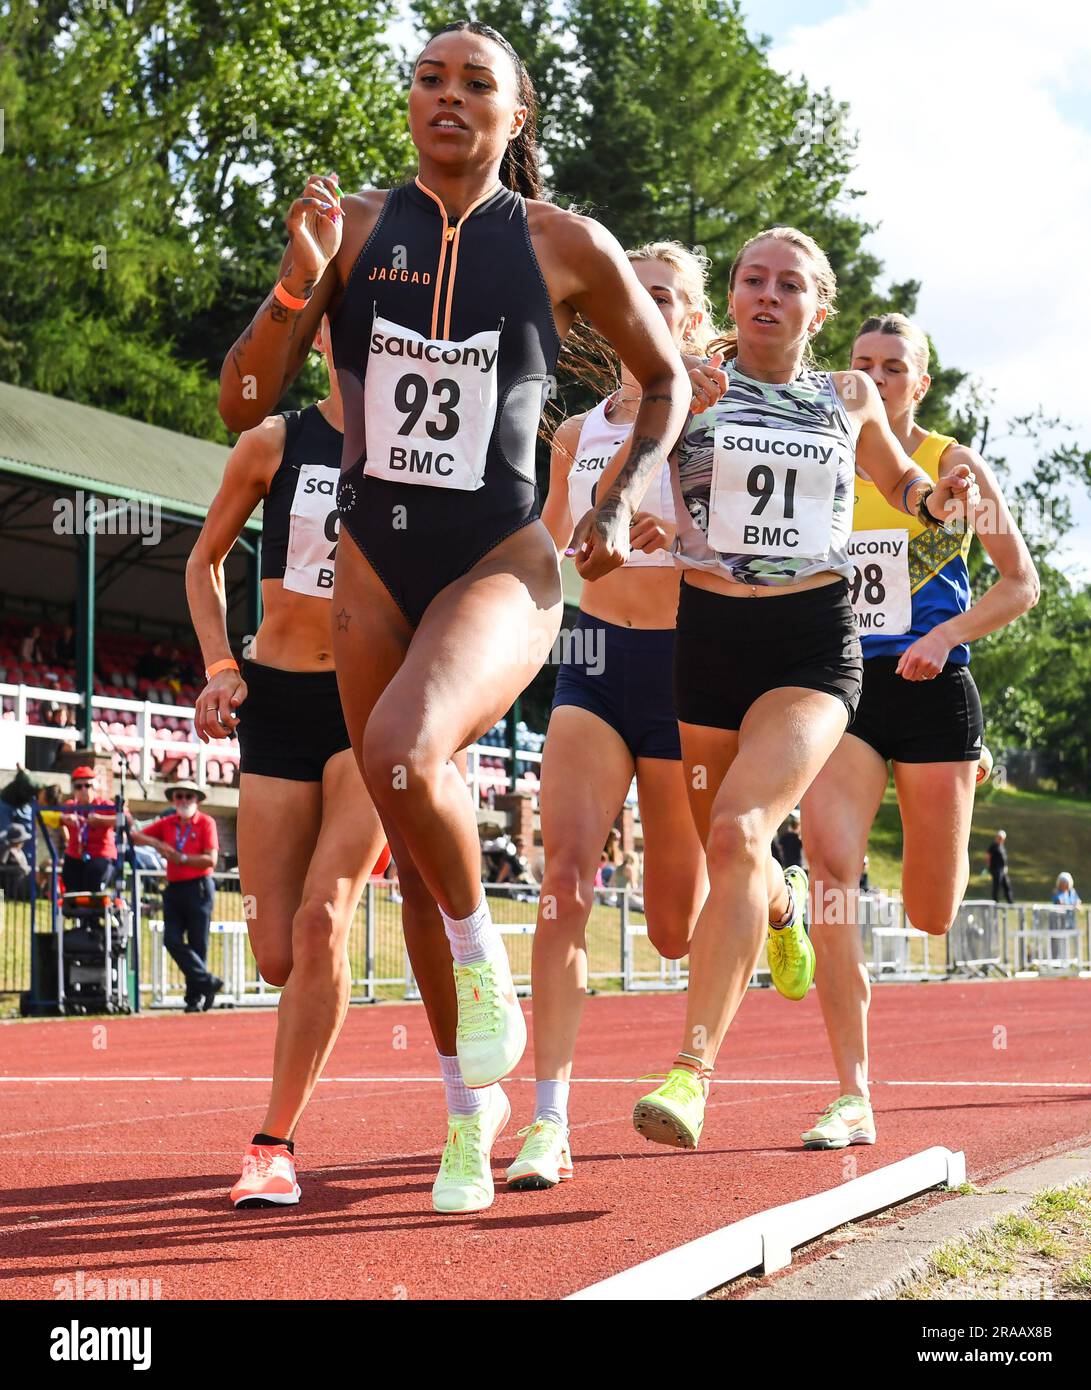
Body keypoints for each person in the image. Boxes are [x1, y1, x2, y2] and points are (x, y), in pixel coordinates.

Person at [218, 19, 690, 1213]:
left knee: (399, 751)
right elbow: (242, 395)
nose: (447, 97)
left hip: (501, 560)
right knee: (417, 876)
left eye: (476, 83)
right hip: (373, 567)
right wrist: (295, 278)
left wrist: (623, 489)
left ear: (514, 116)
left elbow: (668, 379)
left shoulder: (563, 243)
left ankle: (489, 969)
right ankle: (466, 1117)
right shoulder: (358, 230)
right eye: (429, 78)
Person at [594, 226, 980, 1151]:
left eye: (791, 284)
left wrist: (941, 499)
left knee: (738, 830)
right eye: (752, 280)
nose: (768, 295)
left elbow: (901, 478)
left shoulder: (846, 395)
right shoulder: (687, 385)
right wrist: (635, 516)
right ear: (729, 298)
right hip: (709, 642)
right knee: (732, 851)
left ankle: (690, 1075)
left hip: (813, 645)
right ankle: (784, 905)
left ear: (820, 305)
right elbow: (620, 490)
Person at [798, 312, 1038, 1148]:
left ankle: (925, 873)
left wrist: (945, 636)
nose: (879, 377)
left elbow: (1021, 585)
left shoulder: (952, 465)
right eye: (864, 364)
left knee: (934, 914)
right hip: (845, 689)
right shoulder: (820, 452)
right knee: (829, 870)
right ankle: (851, 1093)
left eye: (896, 366)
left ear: (922, 382)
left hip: (935, 689)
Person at [506, 241, 711, 1191]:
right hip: (590, 662)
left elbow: (769, 558)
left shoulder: (716, 416)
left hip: (685, 670)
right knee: (564, 881)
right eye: (638, 294)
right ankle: (549, 1120)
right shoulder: (574, 434)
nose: (652, 310)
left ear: (695, 321)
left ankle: (778, 892)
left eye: (669, 298)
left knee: (672, 928)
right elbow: (544, 546)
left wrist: (688, 538)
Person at [192, 316, 388, 1206]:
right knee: (275, 954)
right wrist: (221, 665)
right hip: (276, 700)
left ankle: (272, 1144)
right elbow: (203, 562)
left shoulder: (423, 447)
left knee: (322, 923)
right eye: (342, 328)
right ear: (318, 342)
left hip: (369, 706)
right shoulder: (276, 441)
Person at [130, 783, 222, 1013]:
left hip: (199, 887)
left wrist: (180, 858)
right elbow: (135, 836)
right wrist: (158, 844)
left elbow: (210, 859)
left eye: (188, 796)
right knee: (171, 939)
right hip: (175, 888)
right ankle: (206, 982)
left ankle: (194, 999)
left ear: (196, 799)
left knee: (198, 942)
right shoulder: (168, 823)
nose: (183, 800)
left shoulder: (205, 823)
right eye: (178, 796)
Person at [59, 766, 120, 894]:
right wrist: (63, 818)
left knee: (93, 876)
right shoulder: (70, 806)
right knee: (70, 881)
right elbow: (50, 817)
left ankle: (91, 912)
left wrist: (101, 820)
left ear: (94, 787)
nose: (83, 790)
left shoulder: (104, 805)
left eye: (87, 785)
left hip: (100, 855)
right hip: (75, 855)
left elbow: (125, 820)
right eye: (78, 786)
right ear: (73, 789)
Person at [988, 829, 1014, 903]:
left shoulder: (1002, 846)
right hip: (996, 869)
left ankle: (1010, 902)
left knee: (1007, 885)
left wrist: (1005, 867)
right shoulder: (993, 846)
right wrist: (990, 867)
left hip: (1003, 870)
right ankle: (995, 901)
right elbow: (988, 856)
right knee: (996, 886)